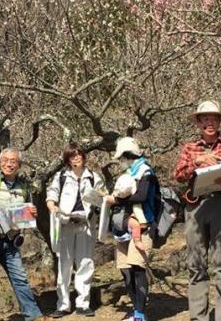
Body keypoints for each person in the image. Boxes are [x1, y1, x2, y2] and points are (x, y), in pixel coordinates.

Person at [172, 101, 221, 321]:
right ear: (198, 122)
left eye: (213, 118)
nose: (209, 123)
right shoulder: (189, 148)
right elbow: (177, 175)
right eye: (205, 119)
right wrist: (197, 162)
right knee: (196, 264)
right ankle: (199, 317)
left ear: (219, 121)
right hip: (196, 207)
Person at [0, 148, 44, 321]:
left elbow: (26, 210)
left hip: (10, 240)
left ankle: (33, 315)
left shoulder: (24, 186)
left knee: (19, 278)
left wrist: (32, 212)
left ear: (18, 165)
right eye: (5, 160)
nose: (9, 164)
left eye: (13, 161)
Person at [104, 137, 158, 321]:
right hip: (123, 228)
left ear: (127, 156)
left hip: (143, 226)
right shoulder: (129, 173)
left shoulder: (146, 173)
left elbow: (142, 196)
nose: (121, 161)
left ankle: (140, 314)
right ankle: (136, 309)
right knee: (126, 269)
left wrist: (116, 200)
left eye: (122, 158)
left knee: (137, 268)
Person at [46, 143, 102, 318]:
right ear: (67, 160)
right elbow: (52, 194)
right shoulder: (61, 176)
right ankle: (63, 304)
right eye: (72, 156)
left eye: (79, 155)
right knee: (65, 264)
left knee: (86, 262)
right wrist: (51, 205)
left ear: (83, 157)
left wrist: (99, 204)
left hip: (86, 223)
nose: (76, 158)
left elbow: (102, 196)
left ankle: (83, 303)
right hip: (66, 223)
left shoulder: (93, 176)